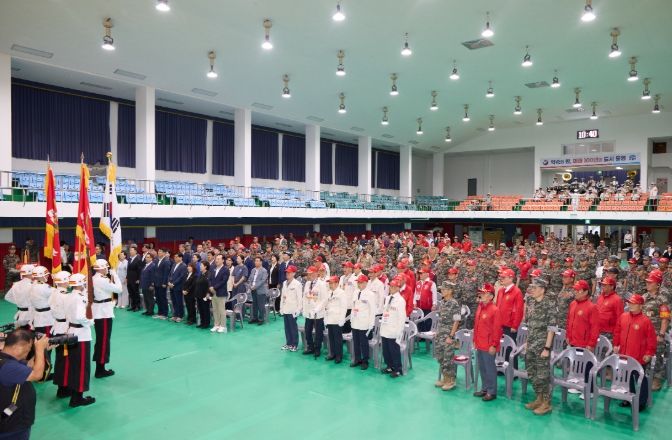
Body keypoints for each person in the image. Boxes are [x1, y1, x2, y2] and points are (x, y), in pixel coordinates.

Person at [0, 329, 50, 439]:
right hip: (12, 427)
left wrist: (42, 350)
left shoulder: (6, 359)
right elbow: (37, 374)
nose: (27, 353)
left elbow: (29, 365)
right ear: (17, 347)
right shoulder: (8, 367)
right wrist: (39, 350)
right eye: (27, 350)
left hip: (11, 421)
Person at [613, 294, 657, 411]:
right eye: (629, 303)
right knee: (627, 378)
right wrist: (616, 344)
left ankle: (641, 402)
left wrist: (649, 353)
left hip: (639, 357)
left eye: (634, 303)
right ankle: (628, 398)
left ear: (641, 306)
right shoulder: (623, 316)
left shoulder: (646, 321)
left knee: (640, 379)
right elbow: (617, 332)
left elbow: (651, 339)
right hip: (624, 355)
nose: (630, 305)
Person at [523, 278, 557, 415]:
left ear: (542, 289)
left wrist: (547, 348)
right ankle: (539, 398)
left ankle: (546, 403)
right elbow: (530, 324)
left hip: (542, 345)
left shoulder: (549, 303)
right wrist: (527, 342)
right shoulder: (531, 301)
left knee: (543, 375)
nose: (532, 290)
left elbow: (552, 328)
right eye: (532, 287)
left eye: (535, 288)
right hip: (531, 342)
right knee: (532, 372)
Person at [64, 273, 96, 408]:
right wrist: (91, 322)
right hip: (81, 335)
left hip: (71, 331)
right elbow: (80, 317)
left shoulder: (69, 296)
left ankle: (74, 393)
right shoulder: (79, 298)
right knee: (82, 367)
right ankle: (77, 398)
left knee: (74, 365)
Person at [91, 259, 121, 379]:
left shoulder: (94, 278)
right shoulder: (102, 280)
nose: (108, 269)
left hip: (100, 310)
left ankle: (100, 367)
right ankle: (100, 369)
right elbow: (119, 289)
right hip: (103, 312)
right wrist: (115, 275)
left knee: (101, 340)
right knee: (103, 341)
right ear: (102, 268)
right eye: (107, 267)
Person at [641, 270, 670, 390]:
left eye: (650, 282)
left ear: (657, 285)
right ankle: (643, 374)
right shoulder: (643, 297)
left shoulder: (662, 299)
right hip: (643, 333)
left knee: (657, 356)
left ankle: (657, 378)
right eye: (647, 282)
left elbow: (665, 319)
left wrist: (661, 335)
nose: (647, 284)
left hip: (656, 333)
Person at [473, 283, 501, 401]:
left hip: (489, 345)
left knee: (490, 369)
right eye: (481, 293)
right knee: (482, 367)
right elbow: (476, 325)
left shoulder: (494, 310)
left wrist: (494, 345)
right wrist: (474, 340)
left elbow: (497, 330)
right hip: (479, 343)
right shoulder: (480, 306)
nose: (481, 295)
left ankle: (492, 391)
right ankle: (485, 388)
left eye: (484, 293)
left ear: (491, 296)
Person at [434, 281, 462, 390]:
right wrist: (437, 332)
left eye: (444, 289)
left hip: (448, 335)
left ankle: (451, 381)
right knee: (440, 357)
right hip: (440, 334)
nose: (442, 291)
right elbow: (441, 319)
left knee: (448, 358)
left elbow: (456, 321)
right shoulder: (443, 302)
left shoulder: (454, 304)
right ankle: (445, 378)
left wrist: (451, 336)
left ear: (450, 291)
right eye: (441, 289)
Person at [48, 271, 71, 399]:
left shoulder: (54, 292)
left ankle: (61, 386)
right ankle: (63, 388)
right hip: (64, 328)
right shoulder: (65, 295)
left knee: (60, 358)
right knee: (65, 359)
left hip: (57, 326)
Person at [496, 268, 524, 368]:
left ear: (511, 278)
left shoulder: (517, 292)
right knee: (501, 346)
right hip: (500, 324)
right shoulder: (501, 290)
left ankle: (513, 369)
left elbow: (519, 311)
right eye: (501, 277)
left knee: (510, 348)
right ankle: (501, 367)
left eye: (504, 277)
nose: (501, 279)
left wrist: (515, 325)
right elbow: (497, 307)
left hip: (509, 326)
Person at [380, 277, 407, 378]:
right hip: (385, 328)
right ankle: (389, 366)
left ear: (398, 288)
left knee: (394, 351)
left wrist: (399, 332)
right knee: (386, 350)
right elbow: (385, 312)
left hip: (394, 330)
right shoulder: (388, 298)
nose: (391, 288)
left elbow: (402, 318)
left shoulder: (400, 300)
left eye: (393, 287)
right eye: (390, 286)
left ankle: (397, 369)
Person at [349, 274, 376, 370]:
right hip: (355, 321)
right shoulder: (355, 292)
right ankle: (357, 359)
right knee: (356, 342)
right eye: (358, 282)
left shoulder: (370, 294)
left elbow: (373, 310)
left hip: (364, 322)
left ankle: (365, 360)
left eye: (361, 282)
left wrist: (371, 324)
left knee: (363, 343)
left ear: (365, 283)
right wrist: (351, 319)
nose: (359, 284)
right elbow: (353, 306)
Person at [301, 266, 327, 358]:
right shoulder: (307, 283)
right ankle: (310, 347)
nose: (309, 275)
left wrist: (317, 309)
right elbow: (305, 296)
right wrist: (303, 309)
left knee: (318, 332)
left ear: (316, 273)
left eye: (311, 273)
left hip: (318, 313)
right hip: (309, 312)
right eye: (308, 274)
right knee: (307, 330)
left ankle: (317, 349)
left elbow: (324, 299)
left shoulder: (322, 284)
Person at [324, 276, 347, 363]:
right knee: (331, 338)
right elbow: (326, 304)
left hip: (337, 319)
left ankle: (339, 355)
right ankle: (332, 354)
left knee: (338, 339)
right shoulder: (329, 292)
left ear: (337, 283)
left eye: (332, 283)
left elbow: (344, 307)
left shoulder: (341, 293)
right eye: (329, 283)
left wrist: (342, 319)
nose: (330, 285)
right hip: (330, 318)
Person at [279, 265, 302, 352]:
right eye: (287, 272)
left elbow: (299, 298)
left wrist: (298, 310)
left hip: (293, 310)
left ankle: (295, 344)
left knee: (293, 328)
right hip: (285, 309)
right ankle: (288, 343)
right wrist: (281, 308)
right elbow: (282, 296)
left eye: (289, 272)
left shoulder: (297, 284)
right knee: (287, 328)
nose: (287, 273)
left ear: (294, 273)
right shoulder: (284, 283)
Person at [208, 254, 229, 333]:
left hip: (221, 292)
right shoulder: (213, 268)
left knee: (221, 310)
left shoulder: (225, 269)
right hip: (213, 292)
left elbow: (223, 281)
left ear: (223, 260)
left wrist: (214, 287)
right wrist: (210, 287)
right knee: (215, 309)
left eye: (219, 259)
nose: (216, 260)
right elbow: (209, 279)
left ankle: (223, 326)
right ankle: (216, 325)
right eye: (216, 259)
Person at [415, 267, 437, 332]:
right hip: (419, 307)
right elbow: (415, 294)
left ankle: (427, 334)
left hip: (428, 308)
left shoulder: (431, 283)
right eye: (420, 273)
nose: (420, 275)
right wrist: (414, 303)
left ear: (427, 274)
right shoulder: (417, 283)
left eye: (422, 273)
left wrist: (434, 304)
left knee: (427, 322)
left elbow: (434, 295)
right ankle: (420, 335)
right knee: (419, 322)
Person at [152, 248, 172, 320]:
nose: (159, 252)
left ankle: (165, 314)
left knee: (163, 298)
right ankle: (160, 312)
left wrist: (164, 283)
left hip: (162, 283)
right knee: (158, 298)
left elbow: (166, 273)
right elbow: (155, 272)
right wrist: (153, 281)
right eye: (158, 251)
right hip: (156, 282)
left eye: (160, 251)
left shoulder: (166, 261)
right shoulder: (156, 260)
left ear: (164, 253)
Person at [167, 253, 187, 322]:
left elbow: (181, 277)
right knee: (174, 301)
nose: (175, 258)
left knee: (179, 301)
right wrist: (169, 282)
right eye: (174, 257)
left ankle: (180, 316)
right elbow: (170, 274)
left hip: (178, 286)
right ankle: (175, 314)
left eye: (176, 257)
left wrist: (173, 283)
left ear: (181, 258)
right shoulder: (174, 264)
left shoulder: (183, 266)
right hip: (171, 286)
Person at [248, 257, 268, 325]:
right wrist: (250, 285)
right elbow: (250, 279)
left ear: (261, 262)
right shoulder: (253, 270)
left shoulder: (264, 270)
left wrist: (255, 286)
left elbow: (263, 280)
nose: (256, 262)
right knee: (254, 305)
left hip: (260, 290)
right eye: (255, 261)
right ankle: (255, 318)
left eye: (257, 261)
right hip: (252, 289)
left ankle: (261, 319)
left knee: (261, 305)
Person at [194, 261, 212, 329]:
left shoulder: (208, 274)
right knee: (200, 309)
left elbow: (209, 285)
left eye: (201, 265)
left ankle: (206, 323)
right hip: (199, 295)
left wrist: (208, 293)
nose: (200, 266)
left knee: (205, 309)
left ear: (205, 267)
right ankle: (202, 322)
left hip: (205, 295)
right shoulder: (201, 274)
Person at [126, 245, 143, 311]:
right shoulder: (129, 259)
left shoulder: (138, 259)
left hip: (135, 279)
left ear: (135, 251)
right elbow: (128, 269)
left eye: (131, 250)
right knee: (131, 293)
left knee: (136, 293)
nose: (130, 251)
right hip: (129, 278)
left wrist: (138, 279)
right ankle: (133, 306)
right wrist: (127, 277)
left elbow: (139, 270)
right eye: (130, 250)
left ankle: (137, 306)